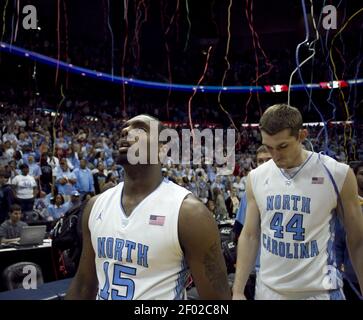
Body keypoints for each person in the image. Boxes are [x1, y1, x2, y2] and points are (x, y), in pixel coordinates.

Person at [66, 115, 230, 300]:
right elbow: (83, 285)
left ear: (161, 149)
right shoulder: (95, 206)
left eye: (140, 129)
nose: (126, 131)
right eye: (124, 128)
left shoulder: (189, 214)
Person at [232, 104, 363, 300]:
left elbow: (358, 241)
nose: (275, 156)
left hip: (320, 292)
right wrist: (238, 291)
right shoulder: (256, 177)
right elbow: (250, 235)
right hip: (268, 291)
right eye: (269, 147)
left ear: (302, 135)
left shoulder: (337, 174)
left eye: (282, 146)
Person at [335, 161, 363, 299]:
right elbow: (339, 242)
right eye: (362, 174)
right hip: (351, 277)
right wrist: (338, 268)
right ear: (354, 176)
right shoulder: (346, 206)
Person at [233, 145, 272, 242]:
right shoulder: (250, 192)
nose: (264, 164)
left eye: (268, 160)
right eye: (260, 161)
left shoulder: (286, 188)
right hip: (256, 252)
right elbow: (239, 228)